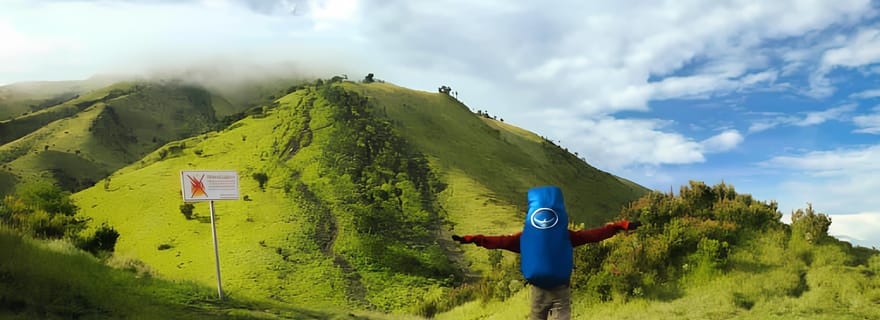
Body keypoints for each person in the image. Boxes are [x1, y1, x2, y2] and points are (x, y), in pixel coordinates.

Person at [452, 186, 640, 320]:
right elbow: (593, 235)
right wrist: (620, 226)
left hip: (538, 290)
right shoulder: (566, 236)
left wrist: (472, 239)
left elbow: (499, 241)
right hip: (561, 289)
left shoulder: (524, 238)